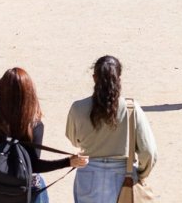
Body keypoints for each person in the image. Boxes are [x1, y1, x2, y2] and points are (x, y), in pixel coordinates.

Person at [0, 67, 88, 197]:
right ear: (29, 94)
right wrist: (67, 162)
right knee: (38, 182)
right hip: (23, 190)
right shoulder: (35, 124)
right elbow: (34, 166)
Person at [65, 56, 157, 203]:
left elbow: (74, 140)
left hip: (88, 175)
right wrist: (140, 174)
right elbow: (148, 152)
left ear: (94, 78)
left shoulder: (77, 108)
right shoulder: (132, 109)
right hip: (123, 176)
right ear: (118, 79)